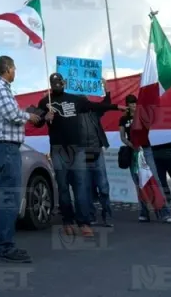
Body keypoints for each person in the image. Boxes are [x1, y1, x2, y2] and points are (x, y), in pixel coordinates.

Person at [33, 72, 118, 237]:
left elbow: (96, 106)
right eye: (54, 82)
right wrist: (45, 117)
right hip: (58, 150)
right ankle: (67, 221)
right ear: (51, 84)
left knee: (81, 186)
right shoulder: (45, 101)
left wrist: (115, 106)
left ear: (64, 83)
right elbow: (36, 122)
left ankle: (84, 222)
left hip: (77, 149)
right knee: (63, 186)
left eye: (59, 81)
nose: (57, 84)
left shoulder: (75, 99)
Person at [0, 55, 41, 264]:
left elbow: (10, 112)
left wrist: (25, 114)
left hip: (4, 149)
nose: (15, 72)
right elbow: (11, 114)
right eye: (14, 69)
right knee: (9, 198)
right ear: (7, 69)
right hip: (5, 149)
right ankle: (5, 246)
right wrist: (29, 116)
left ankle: (4, 243)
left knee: (6, 197)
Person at [119, 96, 171, 224]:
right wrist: (131, 145)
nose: (133, 106)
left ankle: (164, 212)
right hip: (133, 152)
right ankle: (144, 212)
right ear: (127, 105)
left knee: (154, 180)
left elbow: (148, 127)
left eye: (135, 103)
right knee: (139, 183)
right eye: (130, 104)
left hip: (146, 150)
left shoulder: (143, 116)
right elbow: (122, 137)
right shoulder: (123, 119)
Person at [79, 107, 114, 227]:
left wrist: (107, 89)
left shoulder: (93, 111)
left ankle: (107, 214)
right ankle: (91, 215)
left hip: (97, 152)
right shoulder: (72, 114)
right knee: (87, 188)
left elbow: (105, 104)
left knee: (103, 186)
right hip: (82, 154)